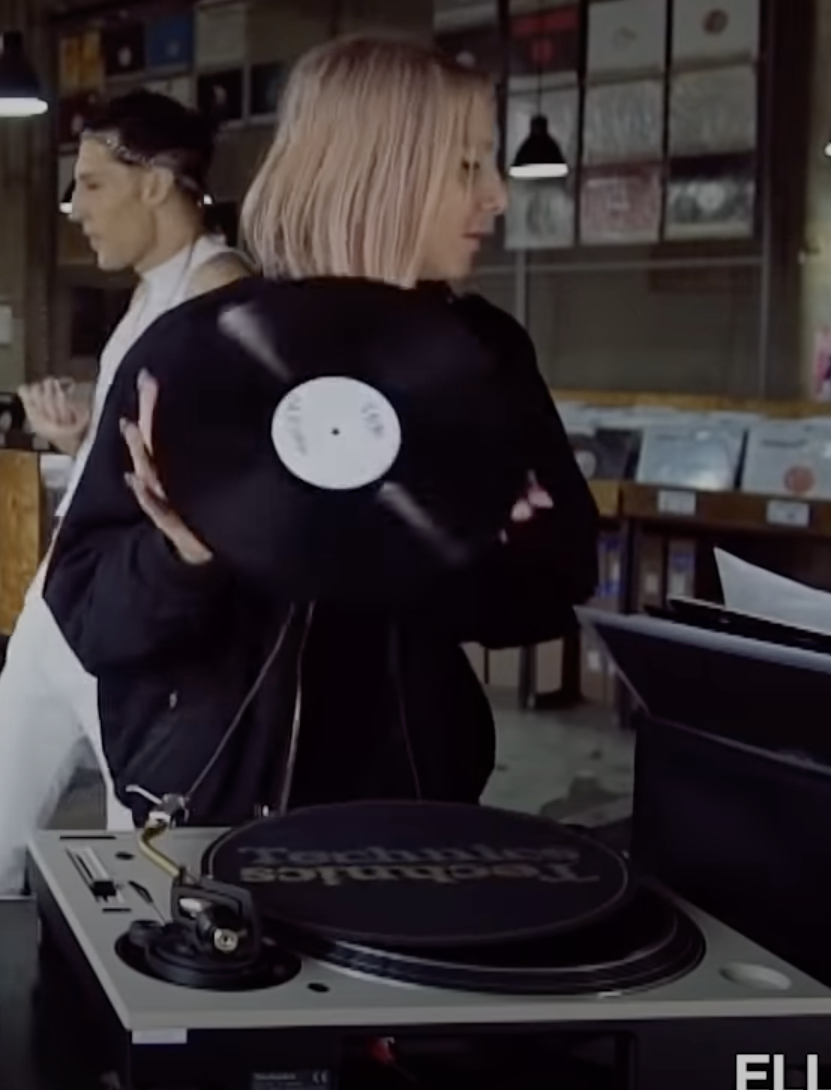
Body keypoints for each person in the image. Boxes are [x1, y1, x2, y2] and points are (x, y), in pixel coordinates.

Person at [44, 36, 599, 828]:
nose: (498, 196)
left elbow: (556, 590)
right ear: (377, 173)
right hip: (211, 811)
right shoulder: (195, 353)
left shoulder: (488, 358)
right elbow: (89, 616)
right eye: (468, 165)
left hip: (414, 809)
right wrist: (183, 557)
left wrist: (481, 539)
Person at [0, 90, 250, 892]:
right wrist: (83, 444)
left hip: (133, 612)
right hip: (66, 593)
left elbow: (210, 493)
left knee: (142, 854)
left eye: (93, 184)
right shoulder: (147, 291)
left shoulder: (219, 299)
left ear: (157, 182)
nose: (76, 207)